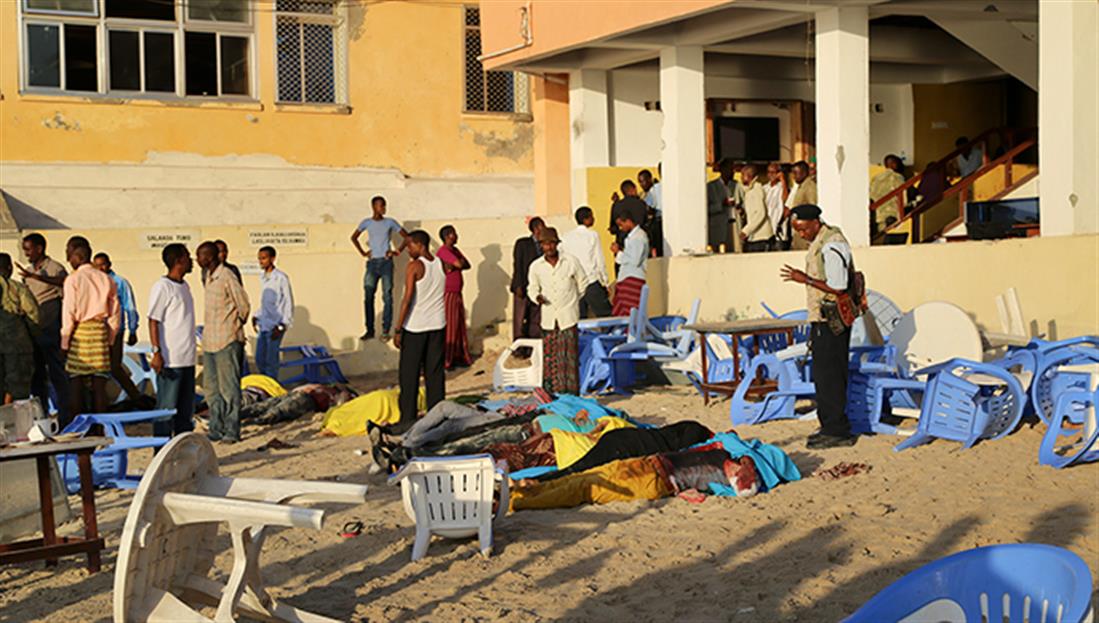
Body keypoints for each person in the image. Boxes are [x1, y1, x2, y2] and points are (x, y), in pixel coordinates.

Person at [779, 204, 858, 449]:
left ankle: (837, 431)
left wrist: (806, 279)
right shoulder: (821, 242)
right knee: (823, 376)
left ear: (815, 222)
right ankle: (829, 426)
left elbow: (838, 286)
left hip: (831, 320)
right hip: (822, 319)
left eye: (803, 229)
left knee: (831, 375)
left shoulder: (832, 244)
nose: (801, 235)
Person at [510, 446, 760, 512]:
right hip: (643, 463)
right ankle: (526, 493)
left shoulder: (730, 475)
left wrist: (745, 465)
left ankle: (517, 503)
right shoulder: (722, 454)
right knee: (583, 476)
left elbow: (746, 489)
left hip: (651, 481)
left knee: (585, 488)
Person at [61, 237, 121, 422]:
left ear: (78, 257)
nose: (69, 261)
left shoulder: (73, 279)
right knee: (99, 387)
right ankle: (101, 428)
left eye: (70, 257)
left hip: (80, 333)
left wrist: (65, 342)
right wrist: (110, 340)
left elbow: (69, 312)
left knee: (76, 384)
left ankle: (77, 429)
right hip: (99, 332)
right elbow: (114, 314)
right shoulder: (106, 279)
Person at [197, 240, 251, 443]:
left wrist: (235, 325)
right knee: (212, 389)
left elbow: (243, 304)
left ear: (209, 257)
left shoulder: (227, 275)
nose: (197, 259)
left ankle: (231, 430)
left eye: (200, 255)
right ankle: (216, 427)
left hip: (227, 339)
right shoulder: (207, 276)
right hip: (210, 340)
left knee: (229, 389)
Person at [393, 230, 446, 434]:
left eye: (409, 246)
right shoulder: (441, 263)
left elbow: (407, 299)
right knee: (434, 374)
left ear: (419, 245)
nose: (407, 250)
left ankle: (407, 419)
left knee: (409, 375)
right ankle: (437, 416)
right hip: (438, 324)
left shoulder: (415, 266)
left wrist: (398, 328)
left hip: (416, 326)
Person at [527, 227, 586, 395]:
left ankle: (571, 395)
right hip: (548, 318)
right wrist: (537, 298)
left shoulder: (571, 261)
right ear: (541, 246)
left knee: (570, 359)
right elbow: (531, 289)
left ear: (557, 244)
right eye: (545, 244)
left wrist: (571, 302)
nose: (549, 247)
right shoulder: (536, 267)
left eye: (552, 243)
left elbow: (582, 284)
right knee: (551, 359)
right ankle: (552, 396)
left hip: (568, 317)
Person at [147, 243, 197, 437]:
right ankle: (160, 452)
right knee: (166, 410)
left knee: (185, 412)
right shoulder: (162, 287)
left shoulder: (184, 286)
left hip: (187, 359)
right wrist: (156, 352)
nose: (191, 260)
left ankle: (182, 451)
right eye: (188, 256)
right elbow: (153, 320)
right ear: (179, 261)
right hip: (170, 360)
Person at [18, 233, 69, 420]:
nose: (27, 254)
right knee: (37, 377)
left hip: (52, 330)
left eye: (29, 249)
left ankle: (65, 416)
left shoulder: (55, 268)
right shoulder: (28, 271)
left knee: (58, 375)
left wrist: (36, 277)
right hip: (34, 332)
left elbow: (65, 284)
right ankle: (42, 416)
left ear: (39, 248)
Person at [351, 195, 409, 341]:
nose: (383, 208)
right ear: (374, 207)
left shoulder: (390, 222)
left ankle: (385, 330)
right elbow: (354, 237)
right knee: (368, 296)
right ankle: (369, 330)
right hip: (372, 264)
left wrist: (397, 251)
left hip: (386, 262)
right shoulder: (367, 222)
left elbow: (407, 237)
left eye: (384, 205)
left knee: (387, 297)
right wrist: (363, 252)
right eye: (381, 205)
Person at [93, 252, 142, 400]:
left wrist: (132, 331)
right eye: (97, 266)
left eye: (103, 264)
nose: (101, 268)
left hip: (116, 330)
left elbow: (130, 307)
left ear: (109, 264)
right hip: (98, 331)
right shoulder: (94, 283)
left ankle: (136, 397)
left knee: (115, 367)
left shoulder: (120, 282)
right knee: (98, 369)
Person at [0, 253, 40, 404]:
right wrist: (31, 336)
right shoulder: (18, 288)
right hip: (17, 344)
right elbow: (34, 314)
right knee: (17, 389)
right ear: (9, 268)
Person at [560, 206, 612, 318]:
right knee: (605, 315)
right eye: (592, 216)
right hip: (591, 280)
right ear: (586, 219)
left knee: (579, 318)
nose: (594, 219)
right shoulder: (592, 235)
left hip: (575, 283)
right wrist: (605, 282)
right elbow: (599, 260)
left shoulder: (566, 237)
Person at [253, 245, 294, 379]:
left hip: (276, 325)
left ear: (272, 258)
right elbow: (266, 303)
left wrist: (283, 325)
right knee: (259, 358)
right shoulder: (263, 278)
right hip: (264, 324)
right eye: (259, 259)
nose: (261, 261)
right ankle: (265, 385)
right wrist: (256, 316)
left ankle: (271, 388)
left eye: (264, 258)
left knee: (271, 361)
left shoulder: (281, 278)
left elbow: (288, 302)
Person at [436, 225, 473, 369]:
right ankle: (447, 359)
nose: (456, 236)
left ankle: (458, 355)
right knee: (450, 326)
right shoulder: (443, 251)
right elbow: (459, 263)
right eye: (454, 234)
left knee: (458, 326)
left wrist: (455, 265)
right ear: (447, 236)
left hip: (457, 291)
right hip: (449, 292)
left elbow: (467, 264)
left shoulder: (455, 251)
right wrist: (457, 264)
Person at [510, 217, 545, 346]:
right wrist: (518, 285)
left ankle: (532, 345)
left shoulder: (544, 245)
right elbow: (518, 265)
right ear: (536, 229)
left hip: (537, 287)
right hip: (523, 285)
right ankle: (518, 347)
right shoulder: (523, 243)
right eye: (542, 227)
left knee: (535, 318)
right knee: (520, 319)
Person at [611, 213, 649, 317]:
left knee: (631, 313)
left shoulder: (639, 237)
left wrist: (619, 252)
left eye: (621, 224)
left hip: (633, 278)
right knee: (623, 313)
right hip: (626, 278)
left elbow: (635, 260)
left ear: (628, 221)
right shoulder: (632, 237)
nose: (621, 228)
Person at [706, 158, 744, 253]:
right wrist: (721, 205)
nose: (732, 172)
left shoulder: (737, 185)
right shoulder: (711, 186)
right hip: (718, 227)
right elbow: (706, 210)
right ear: (722, 170)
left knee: (736, 252)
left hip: (735, 225)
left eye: (733, 170)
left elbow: (743, 203)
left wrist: (740, 208)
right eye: (730, 169)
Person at [739, 164, 774, 253]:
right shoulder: (749, 190)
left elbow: (760, 213)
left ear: (749, 176)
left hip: (761, 238)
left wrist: (746, 231)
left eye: (743, 175)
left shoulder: (756, 190)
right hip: (755, 237)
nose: (741, 177)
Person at [870, 154, 906, 234]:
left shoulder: (876, 178)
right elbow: (903, 197)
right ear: (893, 164)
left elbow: (871, 194)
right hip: (892, 213)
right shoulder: (897, 177)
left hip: (878, 214)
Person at [785, 161, 817, 251]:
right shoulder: (800, 186)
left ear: (804, 172)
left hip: (804, 230)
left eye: (796, 173)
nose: (794, 176)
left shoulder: (809, 187)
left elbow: (812, 207)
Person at [638, 168, 663, 257]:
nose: (641, 185)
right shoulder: (661, 186)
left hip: (659, 221)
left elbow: (649, 208)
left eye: (643, 181)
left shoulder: (653, 190)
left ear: (649, 179)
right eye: (640, 182)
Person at [765, 162, 789, 249]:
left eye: (773, 172)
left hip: (779, 230)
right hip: (767, 230)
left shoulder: (782, 187)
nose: (771, 175)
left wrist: (782, 180)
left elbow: (786, 200)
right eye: (769, 172)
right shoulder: (765, 188)